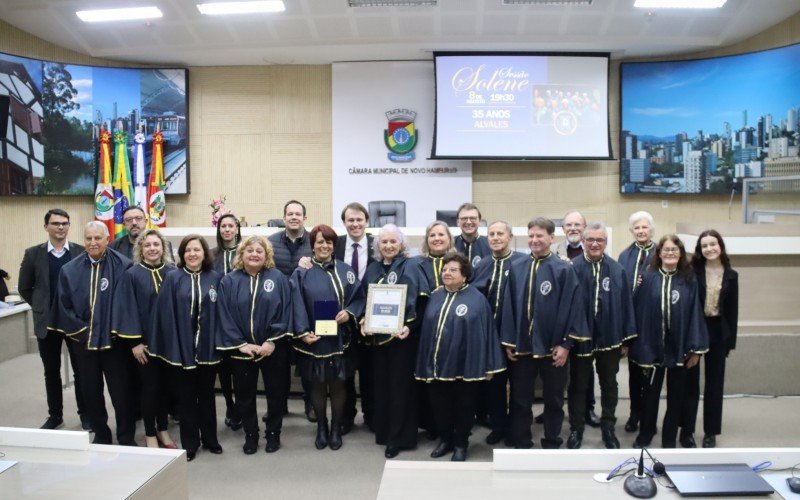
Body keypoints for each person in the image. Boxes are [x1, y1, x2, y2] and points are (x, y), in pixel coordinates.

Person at [501, 217, 586, 449]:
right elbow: (508, 307)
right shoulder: (516, 267)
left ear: (551, 238)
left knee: (554, 399)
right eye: (531, 236)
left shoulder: (563, 270)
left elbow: (573, 308)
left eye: (540, 236)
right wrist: (509, 342)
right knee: (520, 398)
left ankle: (551, 440)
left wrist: (566, 344)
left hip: (553, 348)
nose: (535, 240)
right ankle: (521, 440)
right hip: (523, 346)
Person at [49, 221, 135, 445]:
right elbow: (63, 305)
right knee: (90, 391)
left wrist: (112, 330)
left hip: (113, 343)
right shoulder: (68, 270)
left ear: (107, 239)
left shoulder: (124, 265)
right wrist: (84, 330)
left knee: (121, 393)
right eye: (89, 238)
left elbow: (127, 304)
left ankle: (126, 436)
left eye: (98, 238)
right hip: (83, 342)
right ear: (84, 240)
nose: (93, 242)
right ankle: (102, 434)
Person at [415, 252, 505, 461]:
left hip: (466, 366)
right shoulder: (435, 296)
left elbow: (487, 332)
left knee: (464, 407)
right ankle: (445, 440)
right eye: (445, 269)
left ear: (464, 275)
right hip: (436, 366)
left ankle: (461, 444)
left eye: (453, 270)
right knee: (440, 406)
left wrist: (489, 366)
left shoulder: (477, 299)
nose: (447, 273)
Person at [290, 224, 365, 451]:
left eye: (329, 242)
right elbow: (296, 303)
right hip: (314, 340)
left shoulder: (346, 270)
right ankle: (321, 427)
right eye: (320, 242)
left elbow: (358, 297)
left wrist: (349, 312)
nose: (324, 246)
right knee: (318, 386)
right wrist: (303, 332)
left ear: (334, 245)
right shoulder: (301, 272)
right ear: (313, 245)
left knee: (339, 385)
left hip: (340, 339)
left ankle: (335, 429)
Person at [630, 235, 709, 449]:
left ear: (681, 253)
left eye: (674, 249)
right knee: (650, 395)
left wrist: (695, 349)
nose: (670, 253)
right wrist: (634, 344)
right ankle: (645, 434)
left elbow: (695, 315)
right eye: (666, 249)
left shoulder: (689, 280)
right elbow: (638, 312)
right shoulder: (648, 279)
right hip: (652, 348)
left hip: (680, 348)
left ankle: (669, 438)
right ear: (659, 253)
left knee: (677, 396)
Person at [149, 234, 223, 461]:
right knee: (186, 399)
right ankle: (190, 444)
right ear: (182, 254)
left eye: (197, 250)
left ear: (205, 253)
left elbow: (221, 313)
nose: (192, 254)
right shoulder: (173, 278)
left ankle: (211, 439)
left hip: (208, 351)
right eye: (188, 250)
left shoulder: (215, 278)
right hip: (181, 351)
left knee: (207, 397)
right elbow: (163, 314)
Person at [217, 236, 292, 455]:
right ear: (241, 254)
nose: (255, 254)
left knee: (276, 394)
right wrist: (241, 344)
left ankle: (273, 434)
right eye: (250, 250)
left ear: (266, 254)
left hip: (272, 349)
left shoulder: (277, 278)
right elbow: (224, 314)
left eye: (260, 251)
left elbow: (285, 310)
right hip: (242, 351)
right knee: (245, 396)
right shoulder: (229, 281)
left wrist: (272, 340)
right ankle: (251, 435)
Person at [566, 222, 636, 450]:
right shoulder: (572, 268)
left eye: (600, 240)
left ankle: (608, 428)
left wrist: (626, 339)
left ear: (606, 242)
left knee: (609, 385)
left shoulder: (617, 270)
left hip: (610, 338)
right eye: (590, 240)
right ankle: (576, 429)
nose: (595, 244)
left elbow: (626, 305)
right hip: (580, 340)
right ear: (583, 242)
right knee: (578, 386)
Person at [18, 209, 88, 430]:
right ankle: (55, 415)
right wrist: (41, 308)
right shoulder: (33, 254)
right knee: (51, 371)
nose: (60, 227)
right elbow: (24, 287)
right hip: (47, 323)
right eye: (56, 223)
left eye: (65, 223)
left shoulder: (80, 252)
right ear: (46, 226)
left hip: (74, 323)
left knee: (81, 371)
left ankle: (85, 414)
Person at [360, 224, 423, 458]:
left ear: (401, 244)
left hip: (403, 340)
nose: (388, 246)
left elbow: (421, 302)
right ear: (377, 246)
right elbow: (364, 301)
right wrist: (363, 321)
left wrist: (409, 326)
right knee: (382, 388)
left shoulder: (412, 265)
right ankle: (384, 432)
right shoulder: (373, 269)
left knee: (400, 389)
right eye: (384, 242)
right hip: (378, 340)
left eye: (393, 242)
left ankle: (399, 438)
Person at [111, 229, 178, 449]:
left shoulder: (172, 272)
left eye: (156, 245)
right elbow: (126, 309)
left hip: (169, 345)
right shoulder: (132, 274)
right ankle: (150, 434)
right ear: (140, 249)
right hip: (145, 346)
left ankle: (162, 430)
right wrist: (135, 342)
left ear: (163, 248)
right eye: (147, 245)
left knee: (166, 389)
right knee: (150, 389)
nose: (152, 249)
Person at [470, 220, 526, 445]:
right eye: (491, 234)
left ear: (510, 237)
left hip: (516, 337)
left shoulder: (522, 262)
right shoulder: (482, 265)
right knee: (494, 386)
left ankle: (516, 429)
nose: (495, 238)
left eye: (500, 234)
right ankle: (499, 426)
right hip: (490, 338)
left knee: (519, 386)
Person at [550, 210, 600, 429]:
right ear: (563, 229)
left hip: (585, 321)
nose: (573, 229)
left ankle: (587, 408)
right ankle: (554, 409)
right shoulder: (553, 251)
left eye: (577, 225)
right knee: (556, 370)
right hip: (558, 322)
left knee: (584, 369)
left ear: (584, 227)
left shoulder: (593, 249)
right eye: (568, 225)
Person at [268, 200, 315, 422]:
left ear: (305, 218)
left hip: (305, 311)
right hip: (277, 312)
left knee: (307, 360)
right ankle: (279, 406)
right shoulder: (271, 242)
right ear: (284, 217)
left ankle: (310, 405)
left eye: (298, 214)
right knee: (279, 364)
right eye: (290, 214)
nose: (294, 217)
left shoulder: (315, 242)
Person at [692, 230, 738, 449]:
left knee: (714, 384)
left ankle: (711, 431)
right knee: (690, 382)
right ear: (700, 250)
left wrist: (730, 342)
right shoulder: (693, 272)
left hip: (718, 331)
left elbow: (733, 311)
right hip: (696, 330)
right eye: (705, 246)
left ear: (720, 245)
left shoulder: (731, 275)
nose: (709, 248)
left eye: (713, 244)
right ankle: (687, 429)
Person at [335, 202, 375, 433]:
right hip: (343, 320)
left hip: (371, 321)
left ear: (367, 222)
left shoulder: (379, 244)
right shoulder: (336, 244)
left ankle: (371, 415)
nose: (355, 224)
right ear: (344, 223)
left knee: (371, 372)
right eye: (350, 220)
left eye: (359, 220)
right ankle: (346, 417)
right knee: (345, 373)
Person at [617, 210, 656, 434]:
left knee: (651, 373)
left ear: (651, 229)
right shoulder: (625, 255)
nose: (641, 231)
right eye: (637, 228)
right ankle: (634, 414)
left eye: (644, 227)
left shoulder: (661, 252)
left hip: (652, 321)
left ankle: (648, 416)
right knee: (633, 374)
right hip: (632, 322)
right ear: (632, 231)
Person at [211, 213, 243, 431]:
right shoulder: (212, 255)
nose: (227, 230)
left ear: (237, 229)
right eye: (223, 226)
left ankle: (241, 407)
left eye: (231, 226)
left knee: (239, 368)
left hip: (240, 317)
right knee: (223, 368)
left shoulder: (244, 253)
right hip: (215, 317)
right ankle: (230, 406)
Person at [415, 220, 454, 292]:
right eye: (432, 235)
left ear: (449, 238)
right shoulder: (416, 264)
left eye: (441, 234)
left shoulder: (458, 263)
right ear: (427, 240)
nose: (437, 238)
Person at [453, 202, 491, 266]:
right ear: (458, 222)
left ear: (480, 221)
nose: (468, 222)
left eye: (473, 218)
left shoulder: (490, 244)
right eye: (464, 218)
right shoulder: (450, 244)